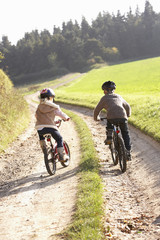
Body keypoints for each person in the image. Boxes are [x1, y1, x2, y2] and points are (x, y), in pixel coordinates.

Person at [93, 81, 131, 160]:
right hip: (123, 117)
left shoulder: (104, 98)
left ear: (105, 91)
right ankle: (128, 152)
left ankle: (109, 137)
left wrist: (96, 118)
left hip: (112, 117)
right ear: (114, 90)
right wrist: (128, 115)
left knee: (110, 120)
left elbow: (97, 110)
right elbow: (127, 106)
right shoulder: (119, 96)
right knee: (125, 134)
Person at [35, 88, 70, 162]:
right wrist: (66, 118)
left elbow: (37, 116)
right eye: (52, 97)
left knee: (41, 136)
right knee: (59, 138)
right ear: (49, 98)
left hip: (40, 128)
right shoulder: (53, 107)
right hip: (50, 127)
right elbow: (61, 114)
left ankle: (44, 148)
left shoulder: (39, 107)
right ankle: (62, 156)